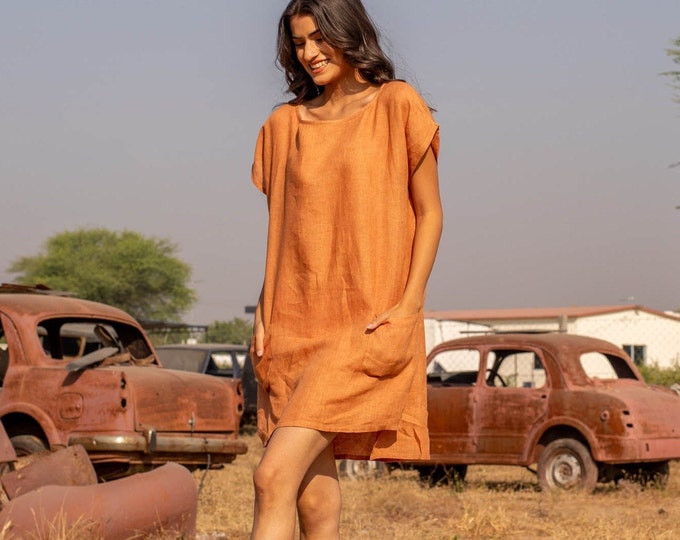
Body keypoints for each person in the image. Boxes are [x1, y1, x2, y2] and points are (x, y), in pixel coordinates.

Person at [249, 0, 442, 538]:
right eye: (298, 43)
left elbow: (430, 213)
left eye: (319, 38)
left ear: (349, 32)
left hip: (363, 325)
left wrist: (409, 304)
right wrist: (262, 313)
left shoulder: (397, 104)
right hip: (291, 325)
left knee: (271, 476)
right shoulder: (283, 125)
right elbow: (285, 231)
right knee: (312, 497)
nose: (308, 53)